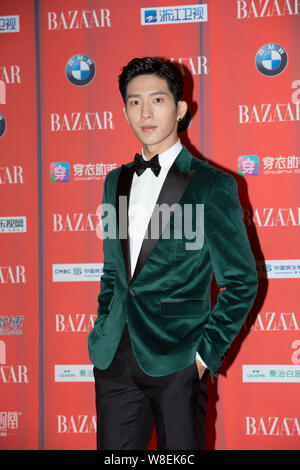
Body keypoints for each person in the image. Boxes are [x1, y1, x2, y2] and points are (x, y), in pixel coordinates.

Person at [88, 57, 258, 450]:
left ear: (180, 109)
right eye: (134, 102)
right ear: (125, 109)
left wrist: (203, 356)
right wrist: (103, 327)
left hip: (178, 357)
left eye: (158, 100)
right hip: (114, 359)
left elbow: (241, 281)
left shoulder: (213, 185)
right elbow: (113, 272)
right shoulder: (114, 181)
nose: (145, 112)